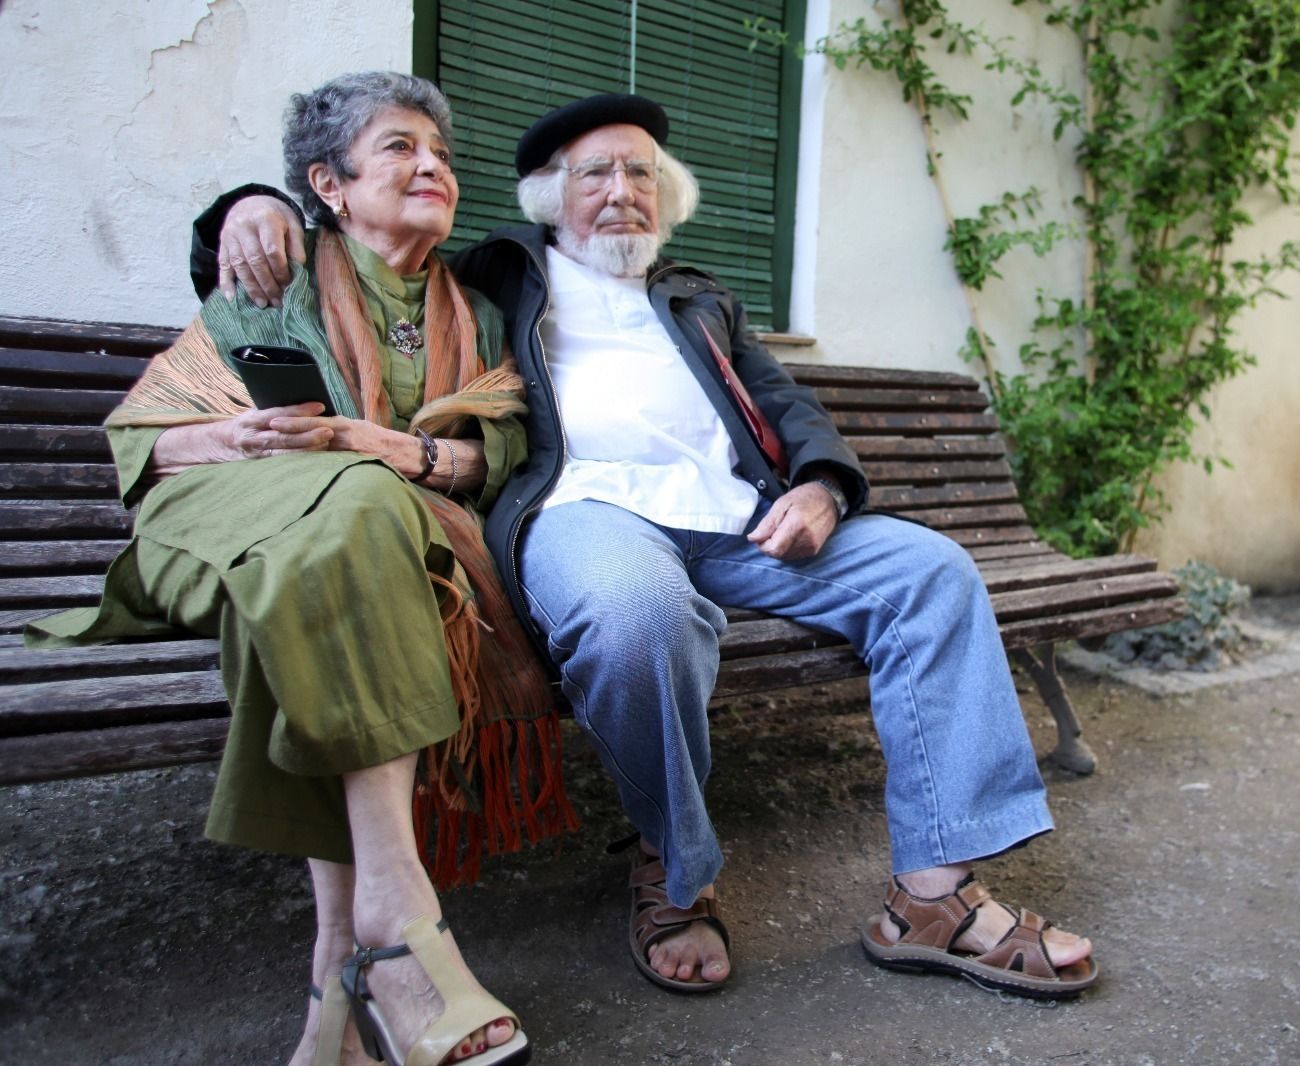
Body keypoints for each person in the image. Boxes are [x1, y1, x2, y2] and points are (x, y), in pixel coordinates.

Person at [197, 93, 1099, 1000]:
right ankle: (674, 869)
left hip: (741, 520)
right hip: (586, 511)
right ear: (552, 198)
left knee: (931, 572)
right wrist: (253, 207)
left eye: (641, 174)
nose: (621, 190)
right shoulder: (495, 274)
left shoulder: (700, 297)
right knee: (635, 617)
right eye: (596, 172)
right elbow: (353, 248)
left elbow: (790, 409)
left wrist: (823, 488)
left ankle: (932, 897)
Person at [29, 72, 571, 1065]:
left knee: (349, 532)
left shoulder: (478, 316)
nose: (433, 167)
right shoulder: (265, 279)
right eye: (402, 147)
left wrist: (389, 450)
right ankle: (399, 913)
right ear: (327, 182)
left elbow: (491, 458)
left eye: (443, 155)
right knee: (353, 521)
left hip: (357, 548)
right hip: (222, 520)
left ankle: (337, 976)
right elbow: (146, 443)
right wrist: (230, 436)